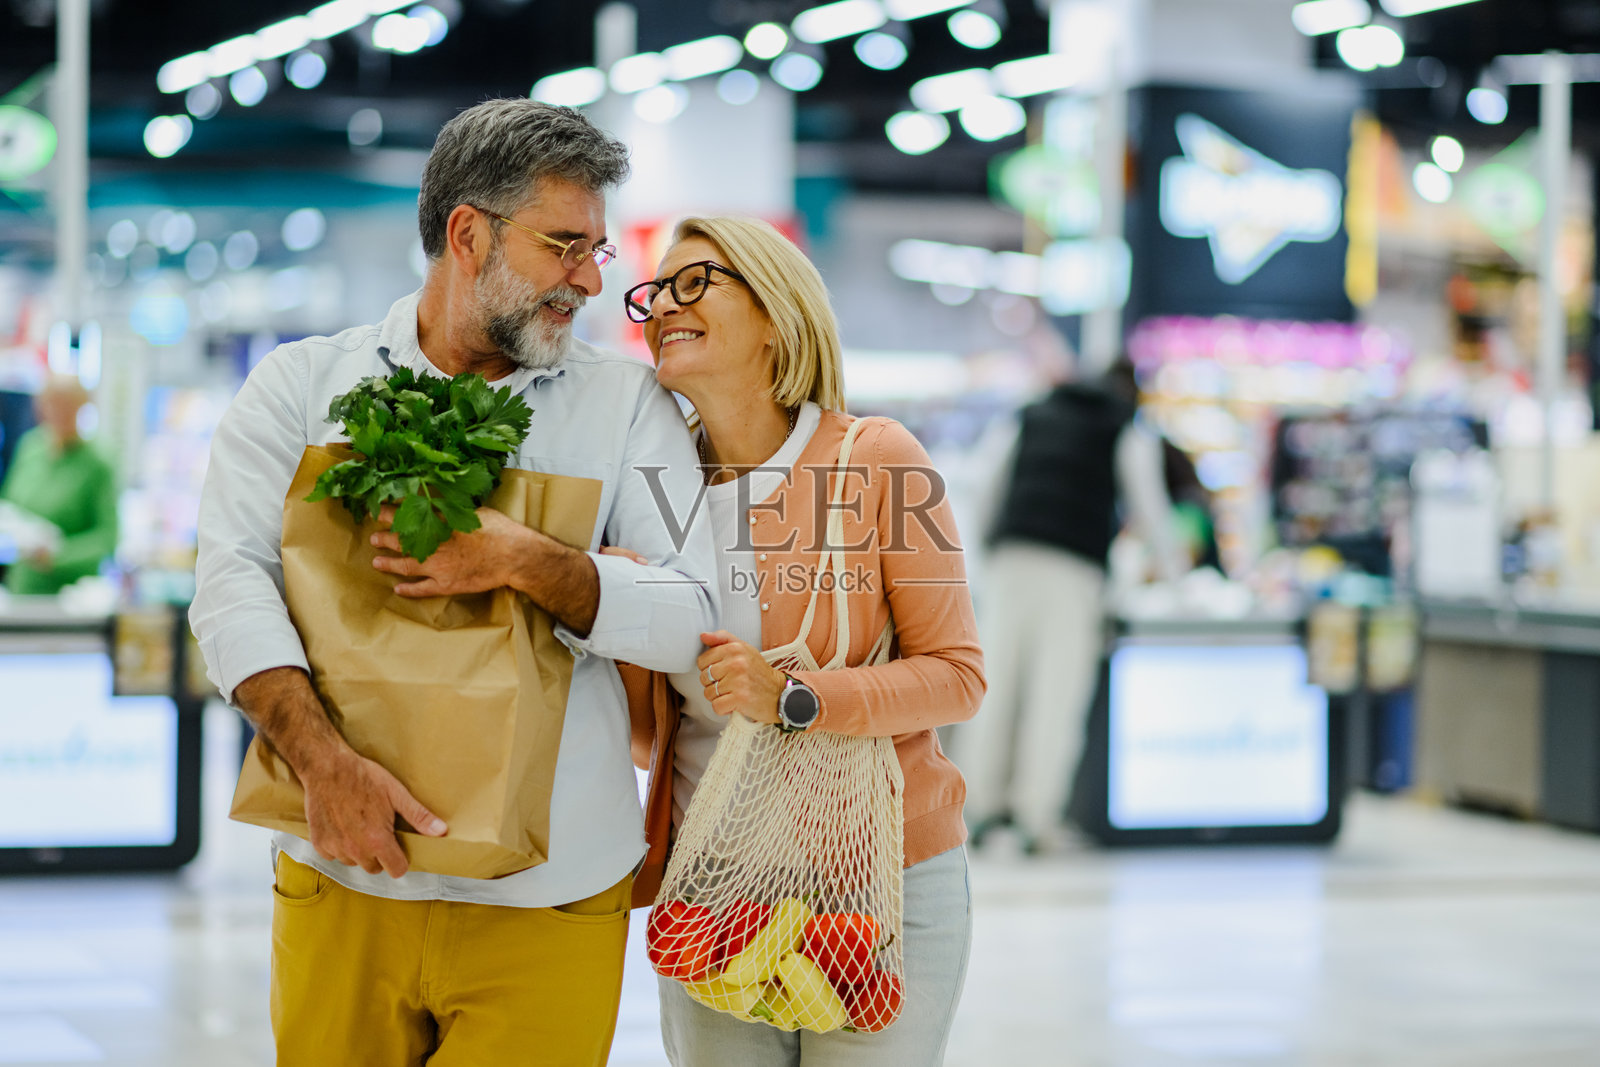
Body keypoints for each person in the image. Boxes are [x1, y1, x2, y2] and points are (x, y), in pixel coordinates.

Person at [189, 100, 718, 1067]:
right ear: (468, 233)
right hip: (346, 867)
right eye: (565, 246)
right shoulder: (303, 390)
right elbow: (231, 586)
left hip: (553, 892)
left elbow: (695, 613)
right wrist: (323, 765)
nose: (590, 279)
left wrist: (525, 558)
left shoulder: (627, 407)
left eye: (596, 250)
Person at [614, 216, 985, 1066]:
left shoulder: (878, 460)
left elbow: (958, 676)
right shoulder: (651, 495)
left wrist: (794, 697)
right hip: (714, 885)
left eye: (693, 282)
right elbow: (657, 735)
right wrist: (621, 617)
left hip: (880, 879)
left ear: (775, 317)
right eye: (654, 291)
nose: (663, 305)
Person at [955, 356, 1183, 854]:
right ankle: (1035, 818)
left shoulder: (1032, 413)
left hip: (1010, 561)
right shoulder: (1125, 426)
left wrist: (984, 560)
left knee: (994, 688)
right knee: (1055, 696)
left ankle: (977, 809)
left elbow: (984, 485)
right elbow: (1150, 507)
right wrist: (1177, 580)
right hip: (1074, 570)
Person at [0, 375, 117, 595]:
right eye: (52, 403)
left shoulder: (97, 463)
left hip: (72, 593)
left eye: (67, 405)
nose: (59, 412)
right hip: (22, 586)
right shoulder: (30, 448)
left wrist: (58, 557)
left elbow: (107, 539)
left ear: (81, 406)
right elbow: (9, 505)